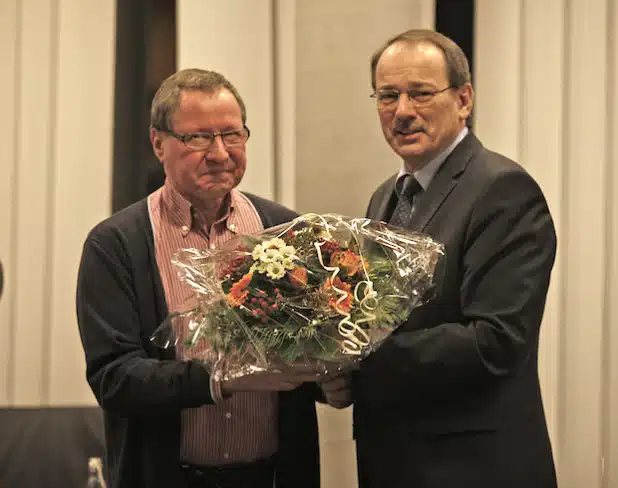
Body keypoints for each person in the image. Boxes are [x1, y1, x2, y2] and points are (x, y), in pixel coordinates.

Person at [76, 69, 322, 488]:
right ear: (158, 143)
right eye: (198, 138)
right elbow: (114, 380)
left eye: (233, 134)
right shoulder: (116, 244)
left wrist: (333, 375)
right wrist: (219, 379)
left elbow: (309, 349)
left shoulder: (286, 230)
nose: (220, 153)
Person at [341, 29, 558, 488]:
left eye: (420, 93)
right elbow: (375, 320)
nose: (402, 111)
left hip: (470, 467)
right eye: (387, 96)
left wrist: (357, 361)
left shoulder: (502, 190)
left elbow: (495, 341)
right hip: (392, 460)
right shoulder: (385, 197)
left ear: (464, 99)